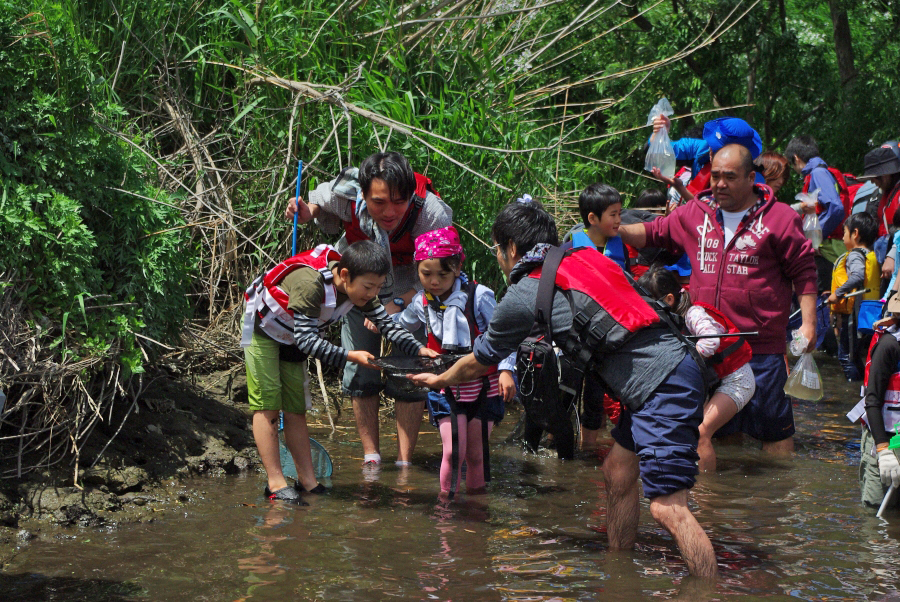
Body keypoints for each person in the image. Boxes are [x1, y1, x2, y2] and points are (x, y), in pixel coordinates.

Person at [411, 200, 719, 578]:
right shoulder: (589, 259)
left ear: (510, 248)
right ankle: (619, 572)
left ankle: (708, 589)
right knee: (618, 473)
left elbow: (482, 359)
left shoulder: (525, 292)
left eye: (497, 248)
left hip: (660, 383)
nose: (499, 256)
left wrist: (440, 379)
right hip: (674, 367)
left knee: (667, 508)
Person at [619, 143, 818, 456]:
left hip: (761, 347)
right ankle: (721, 502)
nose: (720, 184)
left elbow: (804, 271)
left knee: (774, 436)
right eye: (715, 176)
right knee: (720, 436)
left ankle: (776, 503)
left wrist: (808, 324)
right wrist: (614, 229)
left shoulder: (779, 218)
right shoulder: (696, 213)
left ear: (752, 178)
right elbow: (654, 232)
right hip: (712, 347)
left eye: (730, 177)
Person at [285, 152, 452, 469]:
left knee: (411, 372)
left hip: (412, 285)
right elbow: (320, 203)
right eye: (378, 203)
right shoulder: (345, 193)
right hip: (358, 279)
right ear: (362, 194)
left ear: (410, 196)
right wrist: (309, 212)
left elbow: (439, 278)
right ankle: (371, 457)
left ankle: (404, 462)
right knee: (361, 370)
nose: (389, 213)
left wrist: (397, 303)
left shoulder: (430, 213)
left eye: (398, 202)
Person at [241, 241, 436, 503]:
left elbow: (388, 325)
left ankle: (308, 481)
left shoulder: (361, 290)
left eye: (378, 287)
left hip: (292, 336)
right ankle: (276, 482)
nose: (373, 294)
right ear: (345, 275)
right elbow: (309, 342)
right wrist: (349, 356)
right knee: (268, 405)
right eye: (369, 287)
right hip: (264, 329)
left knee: (295, 408)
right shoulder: (310, 285)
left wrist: (418, 350)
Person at [392, 227, 516, 495]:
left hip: (484, 387)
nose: (434, 282)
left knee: (476, 455)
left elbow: (504, 336)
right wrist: (379, 321)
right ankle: (446, 510)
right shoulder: (420, 302)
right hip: (445, 386)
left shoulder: (479, 296)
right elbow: (400, 326)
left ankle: (475, 511)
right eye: (426, 274)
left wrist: (506, 370)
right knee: (452, 452)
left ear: (458, 267)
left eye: (442, 274)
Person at [637, 266, 755, 473]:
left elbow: (710, 340)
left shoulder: (693, 314)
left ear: (669, 300)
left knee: (700, 433)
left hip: (736, 379)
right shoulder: (670, 317)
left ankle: (705, 493)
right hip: (713, 382)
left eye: (650, 303)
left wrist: (686, 363)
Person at [852, 294, 900, 508]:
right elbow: (872, 401)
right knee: (877, 510)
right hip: (882, 440)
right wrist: (883, 450)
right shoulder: (889, 346)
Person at [784, 135, 849, 291]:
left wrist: (816, 237)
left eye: (792, 164)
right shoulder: (818, 173)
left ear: (796, 158)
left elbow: (836, 208)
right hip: (826, 249)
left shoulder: (818, 174)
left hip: (827, 251)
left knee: (822, 299)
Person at [825, 212, 880, 381]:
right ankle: (864, 387)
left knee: (846, 357)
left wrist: (838, 293)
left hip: (854, 315)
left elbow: (857, 277)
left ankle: (855, 391)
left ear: (855, 234)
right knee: (854, 355)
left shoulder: (856, 254)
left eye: (844, 233)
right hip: (865, 312)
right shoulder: (871, 253)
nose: (842, 238)